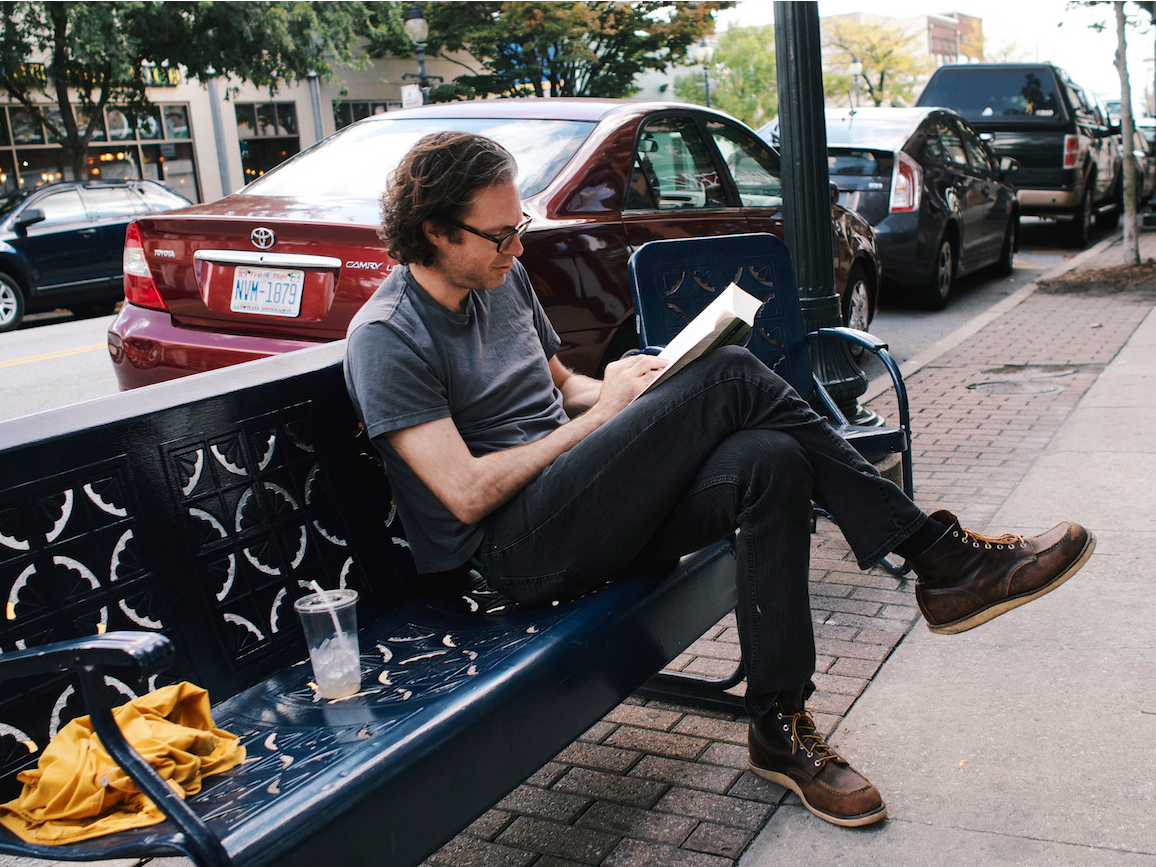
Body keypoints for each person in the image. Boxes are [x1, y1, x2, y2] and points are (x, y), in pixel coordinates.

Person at [344, 132, 1095, 829]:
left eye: (520, 227)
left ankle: (780, 722)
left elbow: (560, 386)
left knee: (773, 460)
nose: (517, 246)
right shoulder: (386, 337)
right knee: (731, 374)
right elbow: (467, 492)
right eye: (499, 234)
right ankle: (938, 558)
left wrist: (621, 383)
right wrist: (603, 417)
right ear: (437, 232)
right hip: (512, 554)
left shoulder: (500, 282)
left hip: (582, 502)